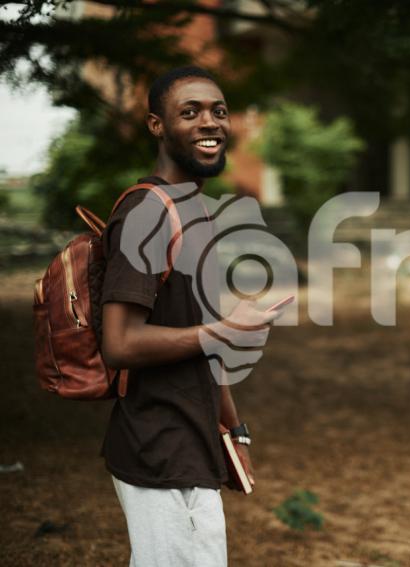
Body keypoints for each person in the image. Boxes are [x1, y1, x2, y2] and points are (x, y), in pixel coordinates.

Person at [100, 66, 282, 566]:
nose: (210, 122)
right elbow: (120, 344)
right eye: (191, 112)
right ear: (157, 126)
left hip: (196, 444)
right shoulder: (147, 213)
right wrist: (223, 330)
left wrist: (235, 430)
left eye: (219, 111)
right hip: (157, 446)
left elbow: (209, 345)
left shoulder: (196, 210)